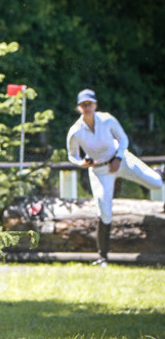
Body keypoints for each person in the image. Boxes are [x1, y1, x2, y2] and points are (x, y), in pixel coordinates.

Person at [66, 88, 164, 266]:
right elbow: (72, 155)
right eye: (83, 105)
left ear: (95, 105)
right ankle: (102, 255)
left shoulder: (107, 119)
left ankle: (160, 170)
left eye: (89, 104)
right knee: (104, 210)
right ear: (79, 108)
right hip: (100, 171)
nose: (87, 107)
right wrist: (82, 163)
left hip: (121, 159)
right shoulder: (75, 131)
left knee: (156, 184)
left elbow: (123, 139)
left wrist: (118, 158)